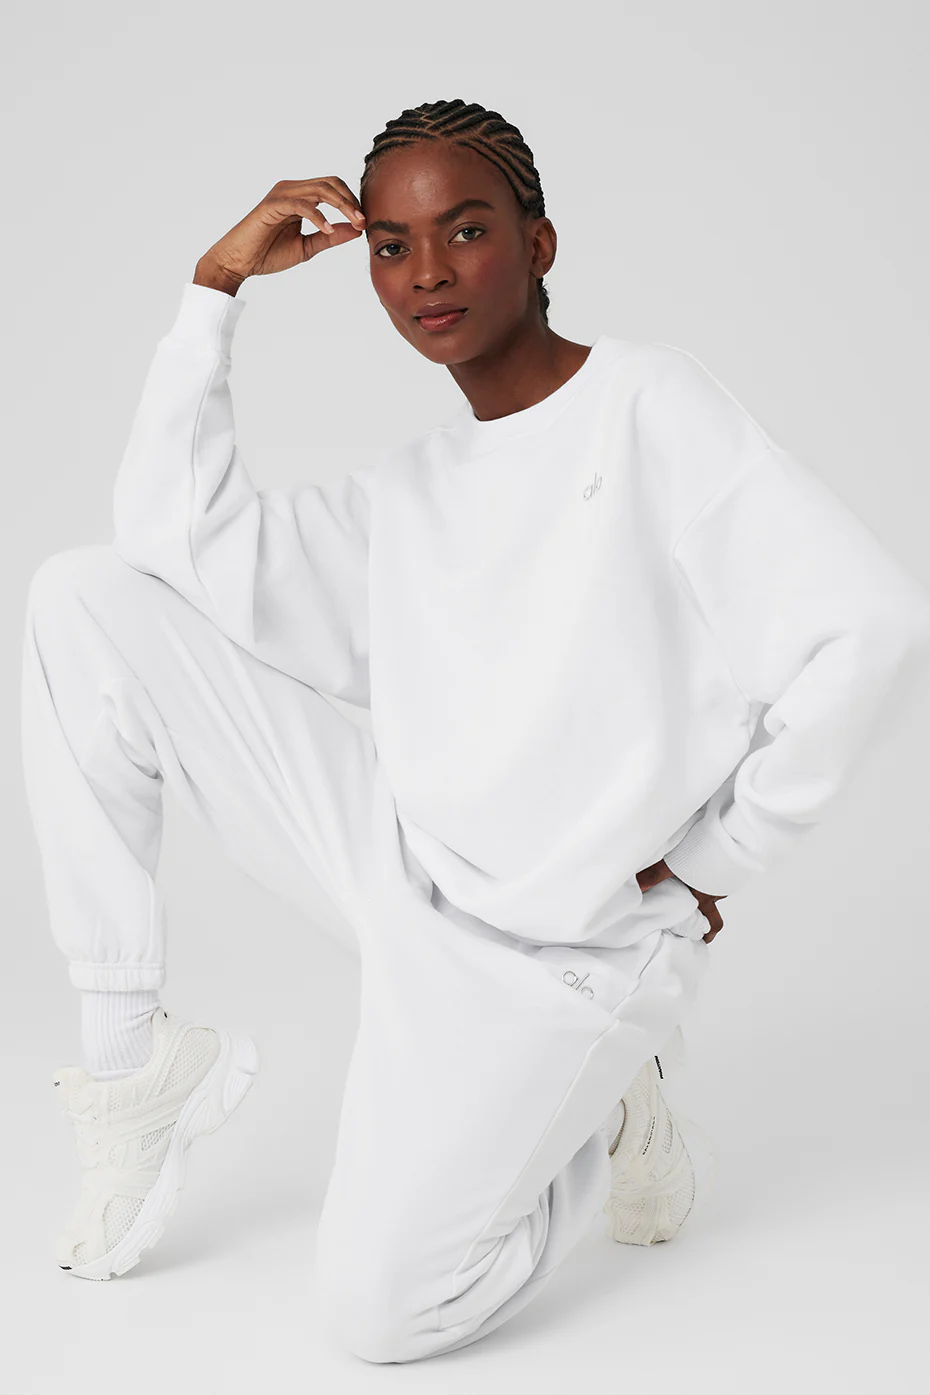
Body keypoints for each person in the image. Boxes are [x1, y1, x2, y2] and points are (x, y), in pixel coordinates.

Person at [20, 98, 930, 1362]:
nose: (428, 272)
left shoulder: (650, 405)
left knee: (381, 1316)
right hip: (402, 870)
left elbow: (871, 627)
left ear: (538, 243)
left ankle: (602, 1100)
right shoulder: (411, 492)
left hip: (569, 949)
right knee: (83, 599)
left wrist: (717, 859)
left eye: (465, 230)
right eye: (392, 246)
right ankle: (134, 1072)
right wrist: (213, 290)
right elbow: (168, 541)